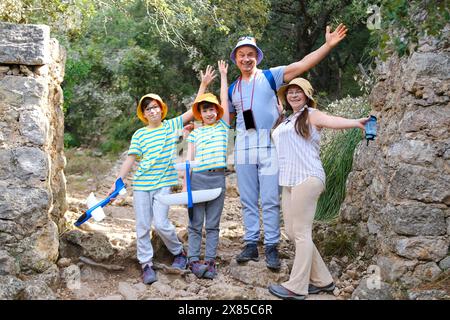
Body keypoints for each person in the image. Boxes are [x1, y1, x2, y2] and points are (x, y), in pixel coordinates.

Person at [229, 24, 348, 270]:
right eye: (242, 54)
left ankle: (272, 246)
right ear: (236, 59)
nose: (246, 58)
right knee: (249, 200)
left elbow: (302, 65)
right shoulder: (233, 88)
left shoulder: (270, 76)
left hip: (269, 145)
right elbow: (223, 118)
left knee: (270, 199)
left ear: (257, 56)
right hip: (243, 147)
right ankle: (251, 243)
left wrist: (327, 45)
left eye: (251, 53)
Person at [108, 68, 215, 284]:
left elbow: (193, 111)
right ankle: (146, 264)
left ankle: (179, 252)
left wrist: (203, 85)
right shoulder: (139, 134)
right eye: (148, 109)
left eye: (155, 107)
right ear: (144, 113)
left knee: (161, 223)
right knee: (142, 226)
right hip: (141, 185)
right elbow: (130, 159)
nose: (153, 111)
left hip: (164, 183)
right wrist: (118, 182)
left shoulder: (171, 126)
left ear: (161, 109)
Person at [268, 77, 369, 300]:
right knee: (293, 233)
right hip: (288, 181)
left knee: (302, 233)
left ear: (307, 96)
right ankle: (323, 280)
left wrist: (355, 122)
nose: (293, 95)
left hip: (307, 177)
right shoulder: (286, 120)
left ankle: (297, 286)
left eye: (298, 91)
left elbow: (331, 120)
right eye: (290, 92)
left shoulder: (311, 115)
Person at [183, 60, 230, 279]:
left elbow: (225, 101)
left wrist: (223, 76)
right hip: (198, 179)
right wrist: (186, 186)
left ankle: (210, 261)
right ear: (200, 113)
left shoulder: (223, 126)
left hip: (218, 179)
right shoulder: (194, 133)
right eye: (205, 110)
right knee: (195, 224)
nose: (209, 113)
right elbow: (188, 160)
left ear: (217, 111)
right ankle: (193, 261)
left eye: (212, 109)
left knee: (212, 224)